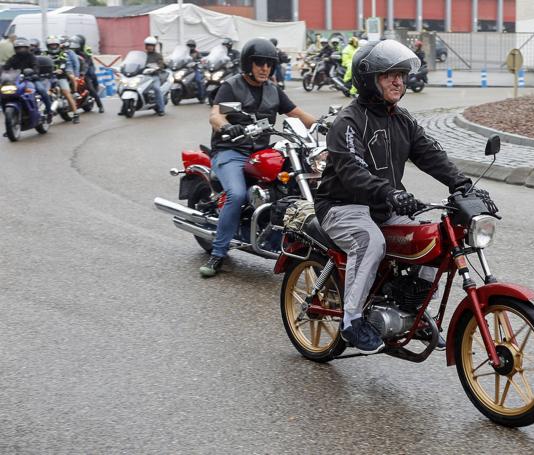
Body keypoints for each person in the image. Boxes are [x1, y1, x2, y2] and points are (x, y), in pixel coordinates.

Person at [314, 40, 473, 353]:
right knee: (369, 241)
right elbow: (353, 172)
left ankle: (411, 308)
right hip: (342, 206)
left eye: (401, 74)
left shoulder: (403, 120)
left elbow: (430, 155)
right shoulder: (348, 121)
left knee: (437, 239)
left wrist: (463, 185)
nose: (398, 80)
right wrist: (389, 192)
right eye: (388, 74)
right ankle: (351, 321)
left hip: (382, 206)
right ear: (368, 79)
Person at [200, 37, 317, 277]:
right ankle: (218, 253)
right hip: (230, 151)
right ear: (248, 64)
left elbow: (297, 114)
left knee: (291, 181)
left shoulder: (273, 90)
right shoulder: (231, 86)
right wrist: (225, 126)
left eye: (269, 64)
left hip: (259, 153)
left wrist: (328, 125)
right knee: (236, 194)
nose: (264, 68)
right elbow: (215, 114)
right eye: (259, 63)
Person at [3, 37, 52, 120]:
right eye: (19, 48)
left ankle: (49, 111)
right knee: (4, 93)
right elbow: (6, 67)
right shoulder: (13, 58)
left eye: (23, 48)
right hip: (17, 80)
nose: (21, 50)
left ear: (27, 48)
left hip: (31, 79)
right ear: (15, 49)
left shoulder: (31, 57)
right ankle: (11, 119)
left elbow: (35, 66)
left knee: (42, 90)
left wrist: (34, 72)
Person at [46, 36, 80, 124]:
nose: (53, 47)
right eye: (51, 45)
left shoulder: (63, 54)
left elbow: (63, 64)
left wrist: (60, 69)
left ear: (58, 45)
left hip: (61, 76)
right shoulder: (44, 54)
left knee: (66, 93)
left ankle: (76, 114)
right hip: (48, 77)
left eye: (55, 45)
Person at [70, 35, 104, 113]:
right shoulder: (69, 52)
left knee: (90, 86)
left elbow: (87, 62)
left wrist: (83, 73)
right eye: (72, 44)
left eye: (75, 44)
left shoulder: (86, 50)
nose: (73, 46)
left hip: (87, 67)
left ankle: (100, 106)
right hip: (74, 70)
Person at [143, 36, 166, 116]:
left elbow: (161, 65)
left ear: (154, 46)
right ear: (146, 46)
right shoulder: (143, 55)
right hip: (143, 76)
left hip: (154, 76)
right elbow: (138, 63)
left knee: (157, 89)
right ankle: (124, 108)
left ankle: (161, 109)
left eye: (151, 45)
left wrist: (157, 67)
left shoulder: (158, 56)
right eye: (148, 45)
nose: (149, 47)